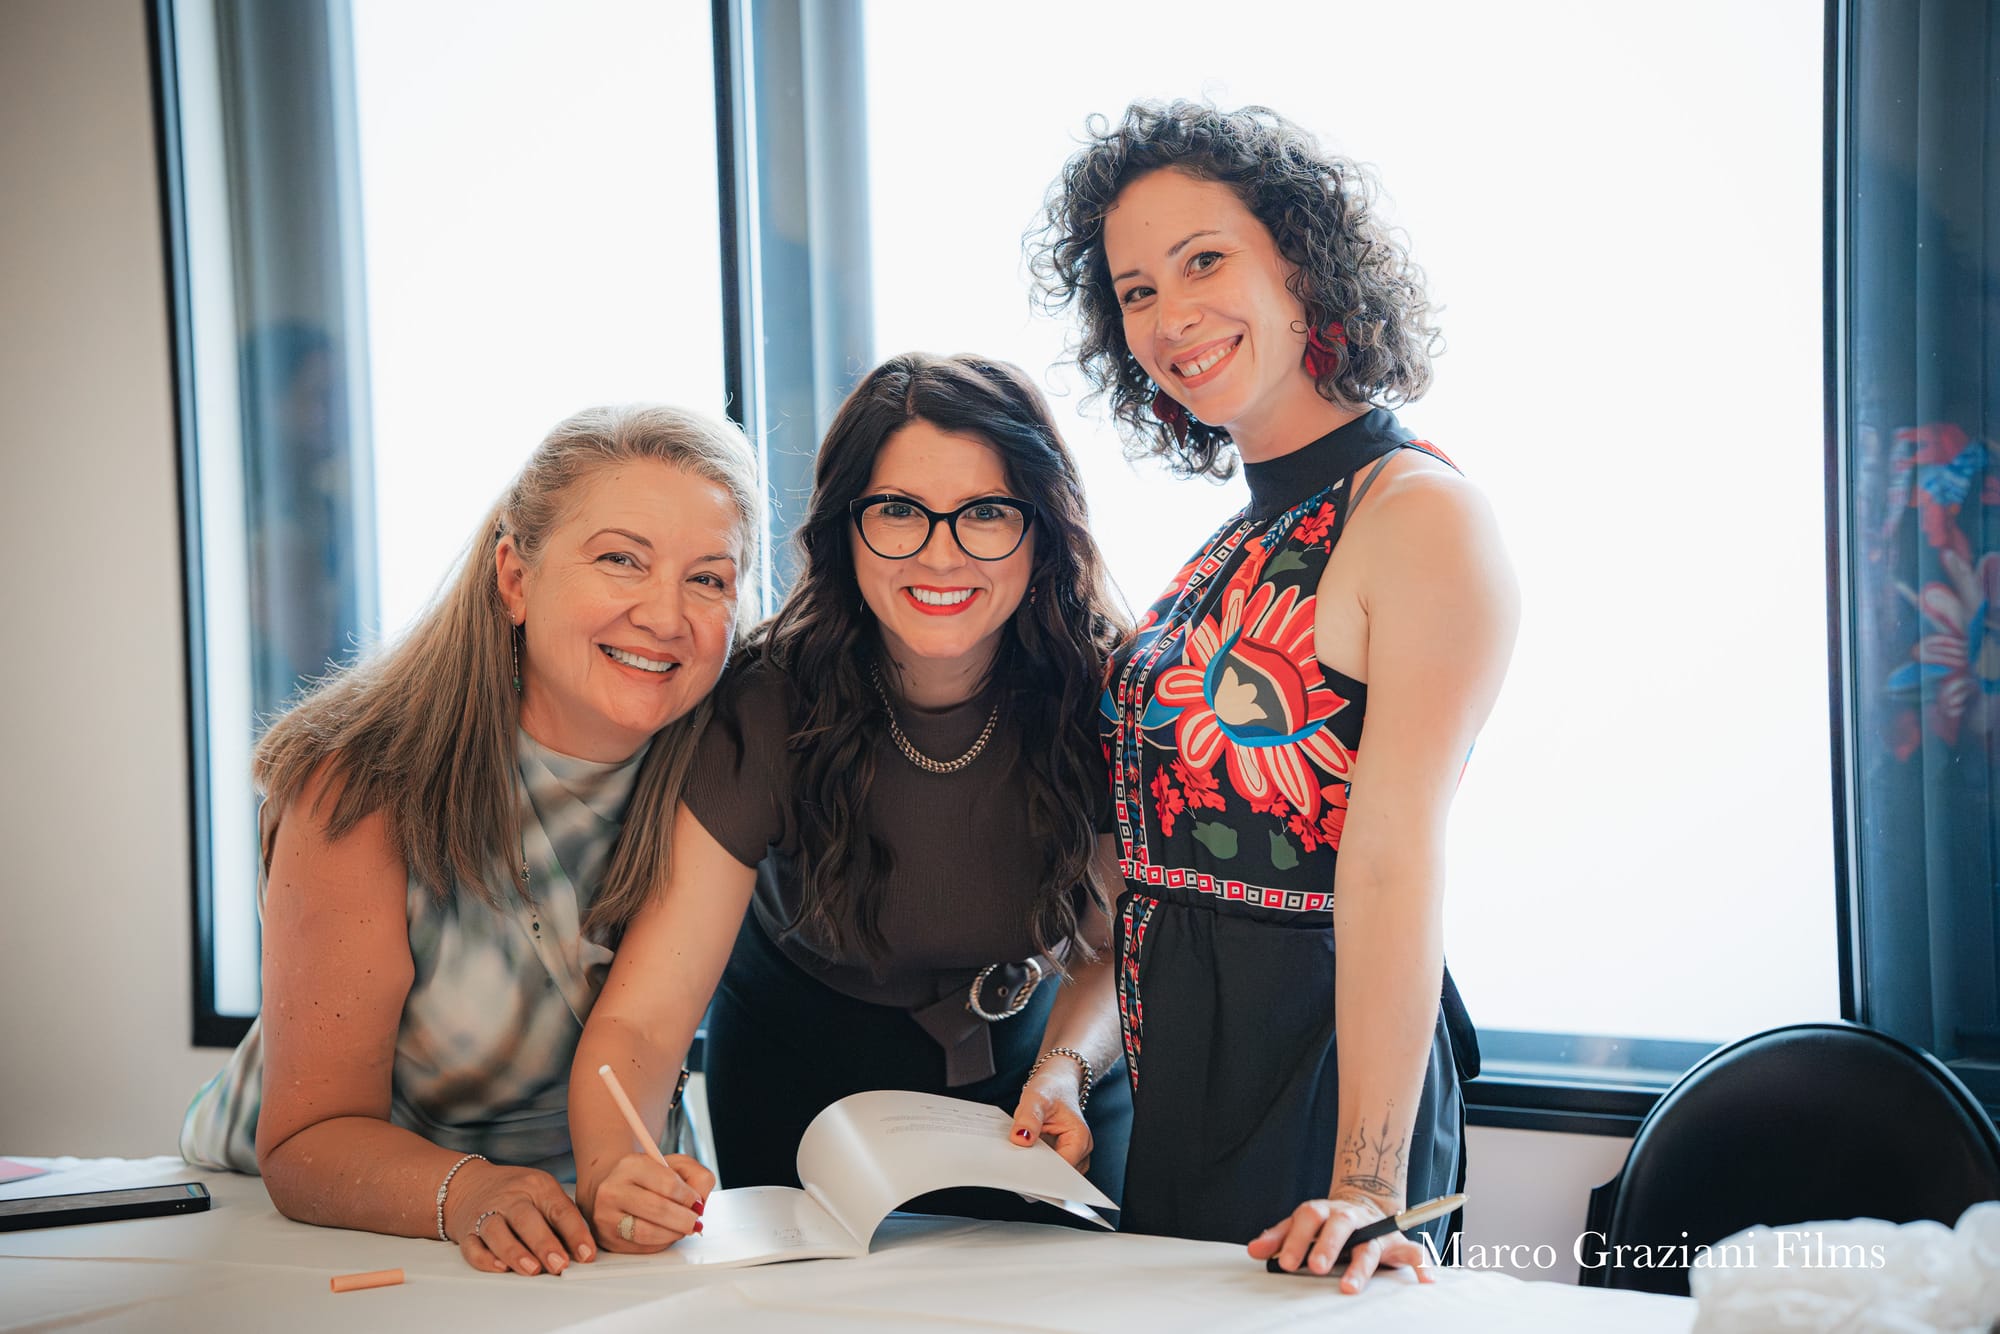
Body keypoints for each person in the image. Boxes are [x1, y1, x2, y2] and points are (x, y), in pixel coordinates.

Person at [1027, 101, 1519, 1290]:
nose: (1168, 314)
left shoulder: (1416, 515)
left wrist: (1364, 1183)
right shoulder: (1234, 540)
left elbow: (1392, 866)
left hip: (1322, 1083)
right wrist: (1065, 1065)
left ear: (1302, 265)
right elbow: (1145, 874)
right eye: (1134, 289)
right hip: (1175, 1081)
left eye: (1204, 260)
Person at [180, 404, 761, 1277]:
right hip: (309, 1232)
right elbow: (307, 1142)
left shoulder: (727, 779)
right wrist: (474, 1193)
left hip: (580, 1244)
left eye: (709, 580)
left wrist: (630, 1187)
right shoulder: (365, 784)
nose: (665, 615)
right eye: (619, 560)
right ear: (514, 578)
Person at [568, 353, 1131, 1252]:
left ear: (1042, 529)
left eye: (987, 513)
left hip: (1047, 1090)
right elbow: (642, 1016)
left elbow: (1115, 948)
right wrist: (611, 1169)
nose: (941, 553)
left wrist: (1067, 1068)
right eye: (899, 512)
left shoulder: (1104, 688)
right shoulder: (766, 699)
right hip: (804, 1087)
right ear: (845, 531)